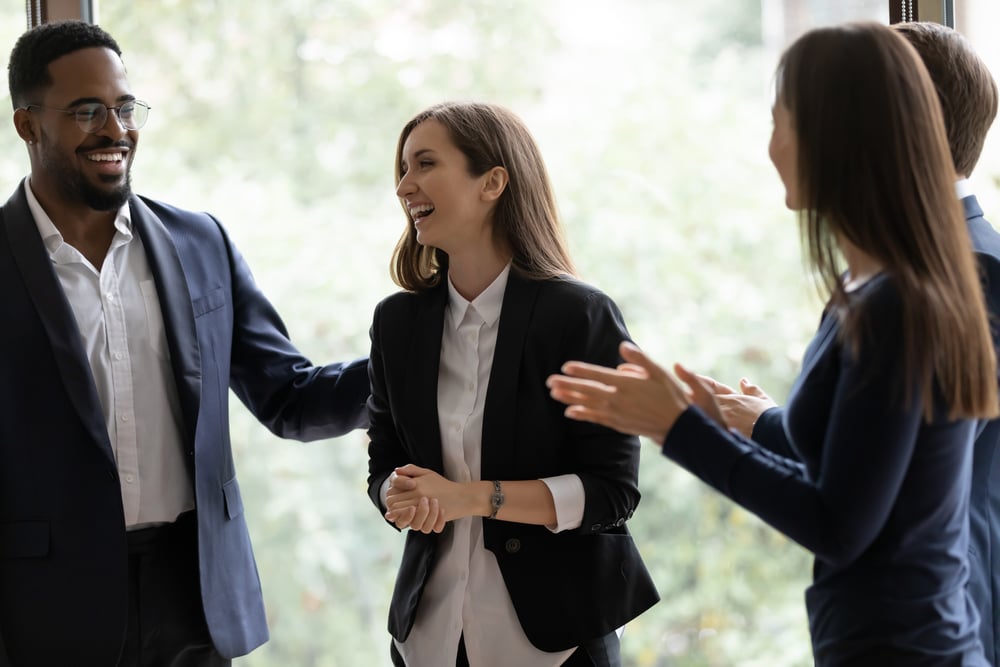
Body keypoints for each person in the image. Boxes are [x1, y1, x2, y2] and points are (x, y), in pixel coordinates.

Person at [547, 22, 997, 665]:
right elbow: (857, 475)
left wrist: (677, 427)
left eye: (781, 121)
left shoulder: (900, 302)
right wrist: (716, 423)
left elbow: (838, 525)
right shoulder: (880, 289)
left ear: (839, 138)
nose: (771, 148)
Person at [0, 20, 369, 667]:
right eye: (87, 111)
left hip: (194, 594)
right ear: (28, 124)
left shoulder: (201, 243)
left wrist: (419, 355)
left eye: (124, 107)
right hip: (46, 611)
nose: (115, 130)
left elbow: (289, 395)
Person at [699, 20, 1000, 664]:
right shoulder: (877, 270)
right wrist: (763, 424)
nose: (775, 144)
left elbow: (904, 475)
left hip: (942, 615)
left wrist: (689, 427)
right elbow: (876, 444)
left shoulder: (970, 273)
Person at [366, 101, 659, 667]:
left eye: (425, 164)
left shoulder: (580, 316)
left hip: (557, 643)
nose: (405, 186)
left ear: (493, 182)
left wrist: (469, 498)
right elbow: (384, 465)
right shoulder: (396, 323)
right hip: (426, 640)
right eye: (402, 169)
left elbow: (611, 492)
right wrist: (397, 495)